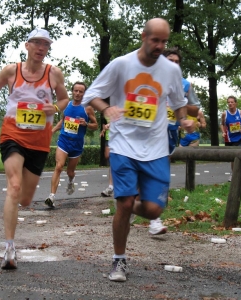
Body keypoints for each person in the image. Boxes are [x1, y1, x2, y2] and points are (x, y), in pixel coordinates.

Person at [81, 18, 195, 282]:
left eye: (164, 41)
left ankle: (130, 203)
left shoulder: (171, 70)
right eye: (155, 40)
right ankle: (119, 261)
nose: (159, 45)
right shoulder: (121, 64)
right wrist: (106, 108)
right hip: (123, 143)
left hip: (155, 148)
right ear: (144, 36)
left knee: (154, 210)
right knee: (125, 203)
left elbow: (179, 102)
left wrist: (183, 119)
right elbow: (92, 94)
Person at [0, 28, 69, 270]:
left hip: (39, 142)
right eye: (37, 43)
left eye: (46, 45)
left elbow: (64, 99)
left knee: (27, 200)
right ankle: (9, 248)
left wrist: (56, 108)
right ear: (27, 45)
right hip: (13, 135)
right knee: (14, 186)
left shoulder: (54, 74)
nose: (42, 48)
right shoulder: (12, 70)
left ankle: (15, 212)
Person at [149, 47, 201, 235]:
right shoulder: (151, 79)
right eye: (170, 61)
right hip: (149, 131)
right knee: (151, 170)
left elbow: (196, 109)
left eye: (177, 62)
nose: (173, 65)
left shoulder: (185, 85)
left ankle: (148, 211)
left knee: (160, 173)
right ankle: (152, 217)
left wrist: (181, 106)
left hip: (170, 133)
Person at [45, 82, 98, 208]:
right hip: (64, 141)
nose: (78, 94)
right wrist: (51, 131)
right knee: (59, 166)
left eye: (81, 91)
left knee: (70, 171)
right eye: (76, 91)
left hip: (77, 144)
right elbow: (63, 121)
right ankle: (51, 197)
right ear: (72, 91)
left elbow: (95, 125)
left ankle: (71, 180)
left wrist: (86, 124)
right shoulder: (67, 105)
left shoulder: (87, 108)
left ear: (84, 94)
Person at [220, 96, 241, 182]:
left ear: (236, 103)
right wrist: (223, 132)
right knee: (232, 158)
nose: (230, 104)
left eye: (232, 102)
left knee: (236, 156)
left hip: (239, 137)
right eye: (229, 102)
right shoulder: (225, 114)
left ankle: (236, 174)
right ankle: (234, 173)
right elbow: (222, 124)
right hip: (229, 138)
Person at [101, 122, 114, 197]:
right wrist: (103, 130)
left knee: (113, 159)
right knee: (108, 157)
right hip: (109, 136)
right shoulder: (107, 112)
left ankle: (111, 186)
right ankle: (111, 187)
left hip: (120, 137)